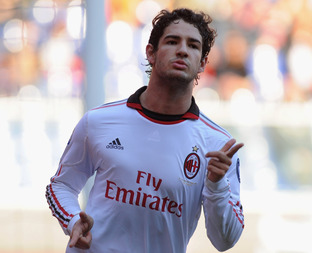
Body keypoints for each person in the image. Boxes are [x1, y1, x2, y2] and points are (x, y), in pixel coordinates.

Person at [45, 8, 244, 253]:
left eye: (193, 46)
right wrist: (73, 220)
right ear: (151, 52)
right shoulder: (99, 122)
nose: (182, 50)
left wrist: (216, 185)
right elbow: (61, 186)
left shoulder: (218, 146)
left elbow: (225, 241)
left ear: (202, 62)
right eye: (172, 42)